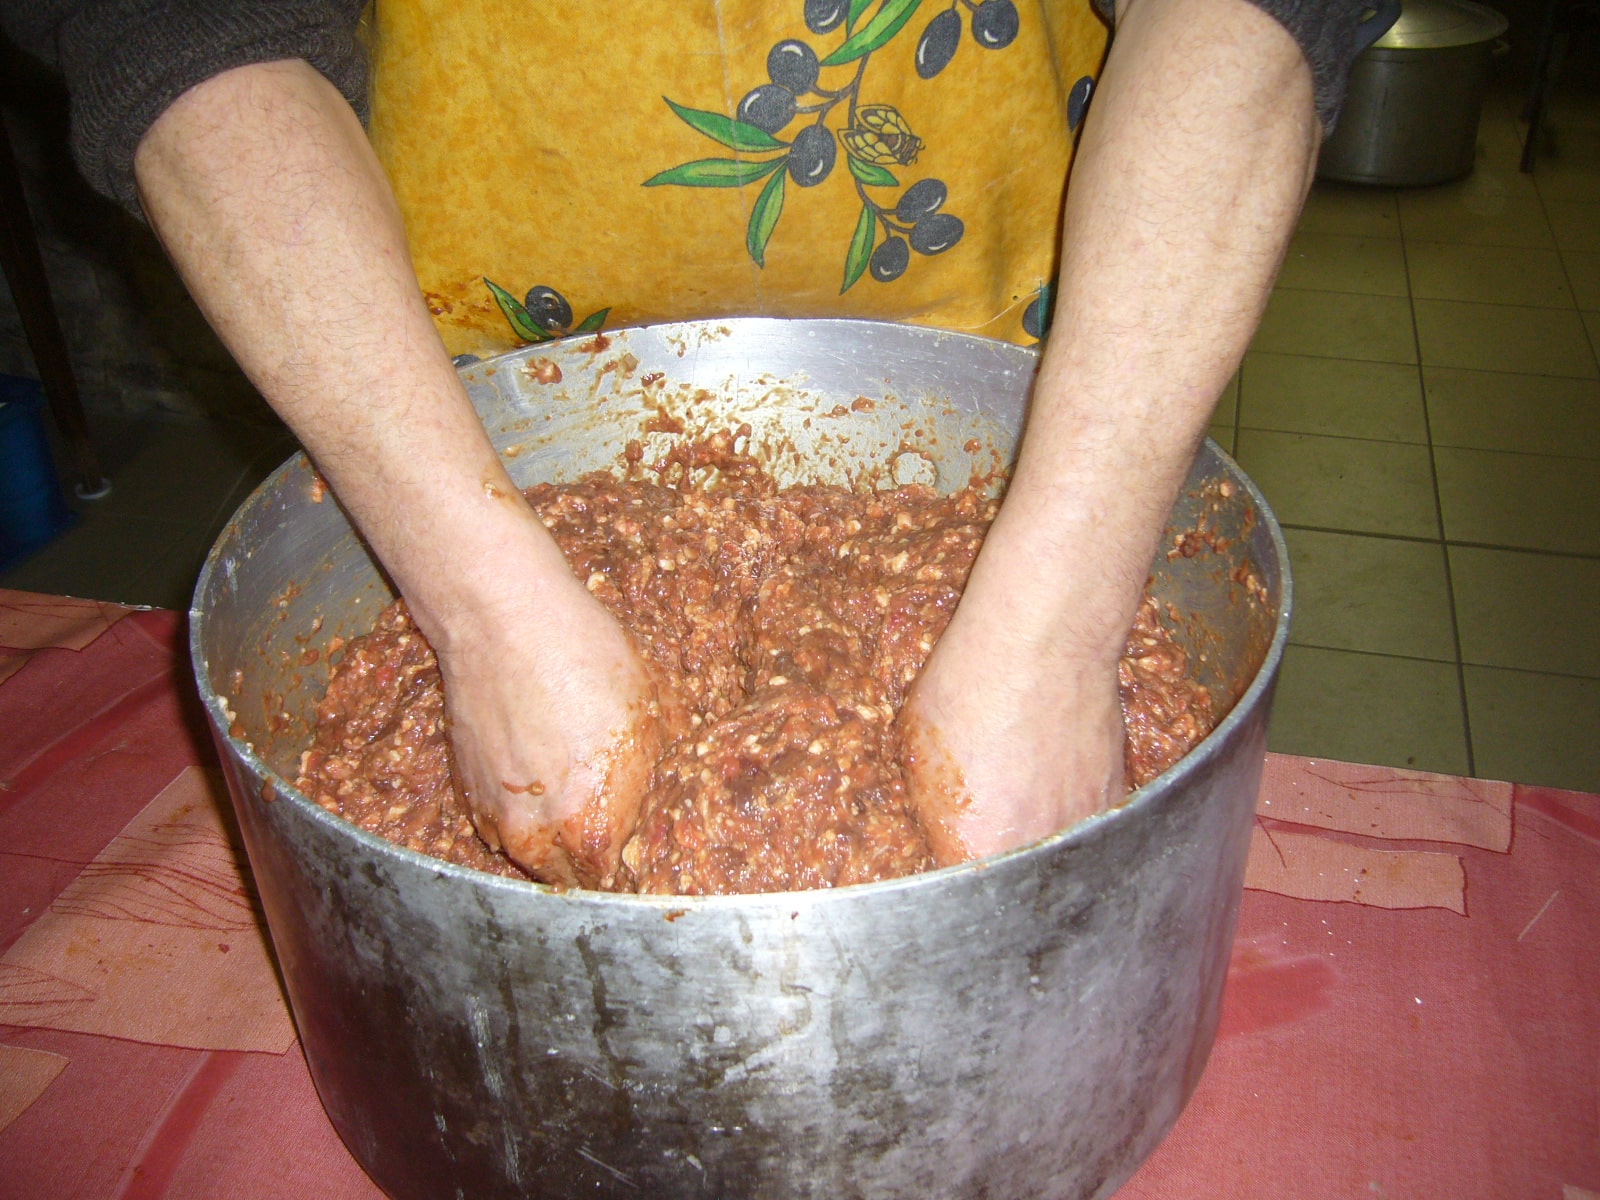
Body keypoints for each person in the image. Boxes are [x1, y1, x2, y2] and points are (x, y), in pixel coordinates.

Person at [4, 0, 1379, 887]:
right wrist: (479, 606)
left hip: (1048, 398)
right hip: (449, 405)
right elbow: (178, 27)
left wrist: (1063, 616)